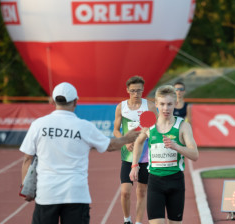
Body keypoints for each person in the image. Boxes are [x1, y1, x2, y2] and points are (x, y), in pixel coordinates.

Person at [20, 82, 140, 224]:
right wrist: (127, 138)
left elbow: (27, 159)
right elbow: (110, 145)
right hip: (76, 194)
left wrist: (25, 186)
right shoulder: (84, 127)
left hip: (47, 194)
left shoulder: (38, 125)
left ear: (52, 101)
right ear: (76, 102)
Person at [129, 85, 199, 224]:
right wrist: (135, 164)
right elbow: (138, 142)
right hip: (155, 182)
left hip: (176, 182)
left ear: (175, 104)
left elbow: (195, 155)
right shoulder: (149, 124)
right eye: (162, 104)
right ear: (156, 104)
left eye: (169, 104)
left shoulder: (183, 126)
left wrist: (176, 146)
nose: (165, 108)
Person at [113, 76, 158, 224]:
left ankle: (138, 222)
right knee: (125, 192)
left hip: (145, 157)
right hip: (127, 156)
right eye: (132, 91)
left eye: (139, 90)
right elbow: (115, 130)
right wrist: (124, 141)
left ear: (143, 89)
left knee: (142, 191)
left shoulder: (150, 106)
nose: (136, 93)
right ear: (127, 90)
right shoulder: (121, 107)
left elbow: (157, 129)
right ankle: (127, 220)